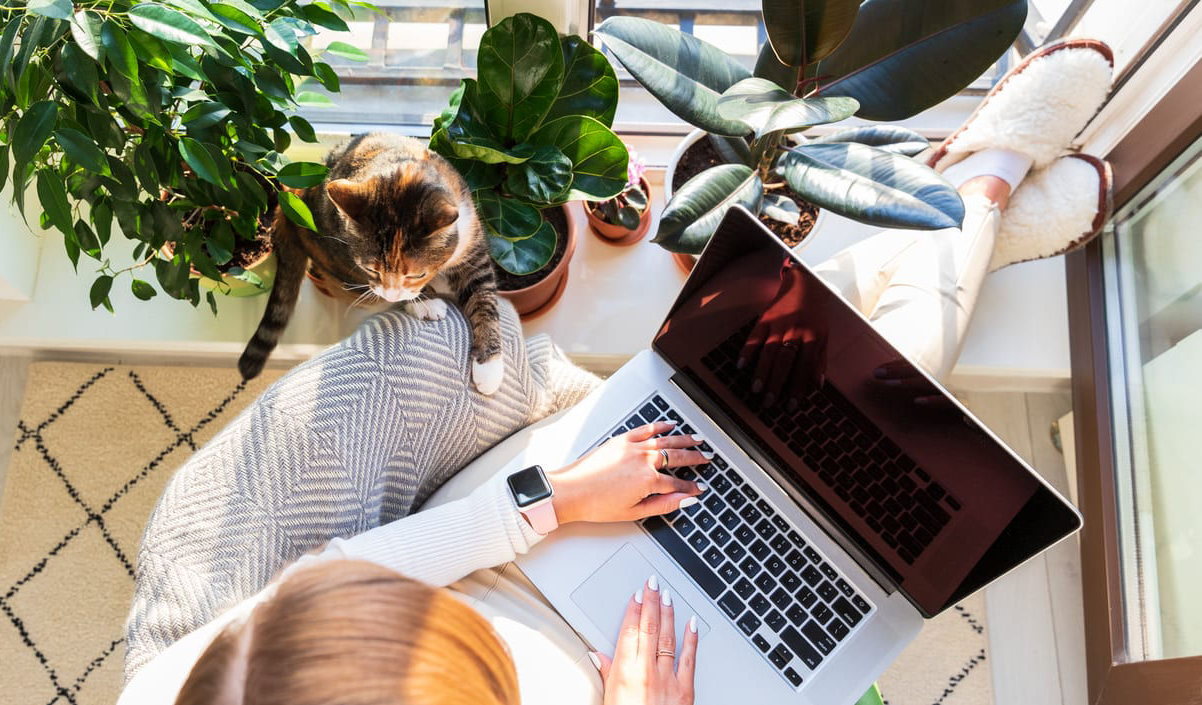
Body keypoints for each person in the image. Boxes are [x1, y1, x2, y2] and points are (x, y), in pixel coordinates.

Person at [119, 39, 1115, 705]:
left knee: (764, 389)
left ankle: (972, 198)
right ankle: (972, 200)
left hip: (502, 553)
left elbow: (337, 577)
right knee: (854, 441)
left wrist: (545, 501)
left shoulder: (209, 683)